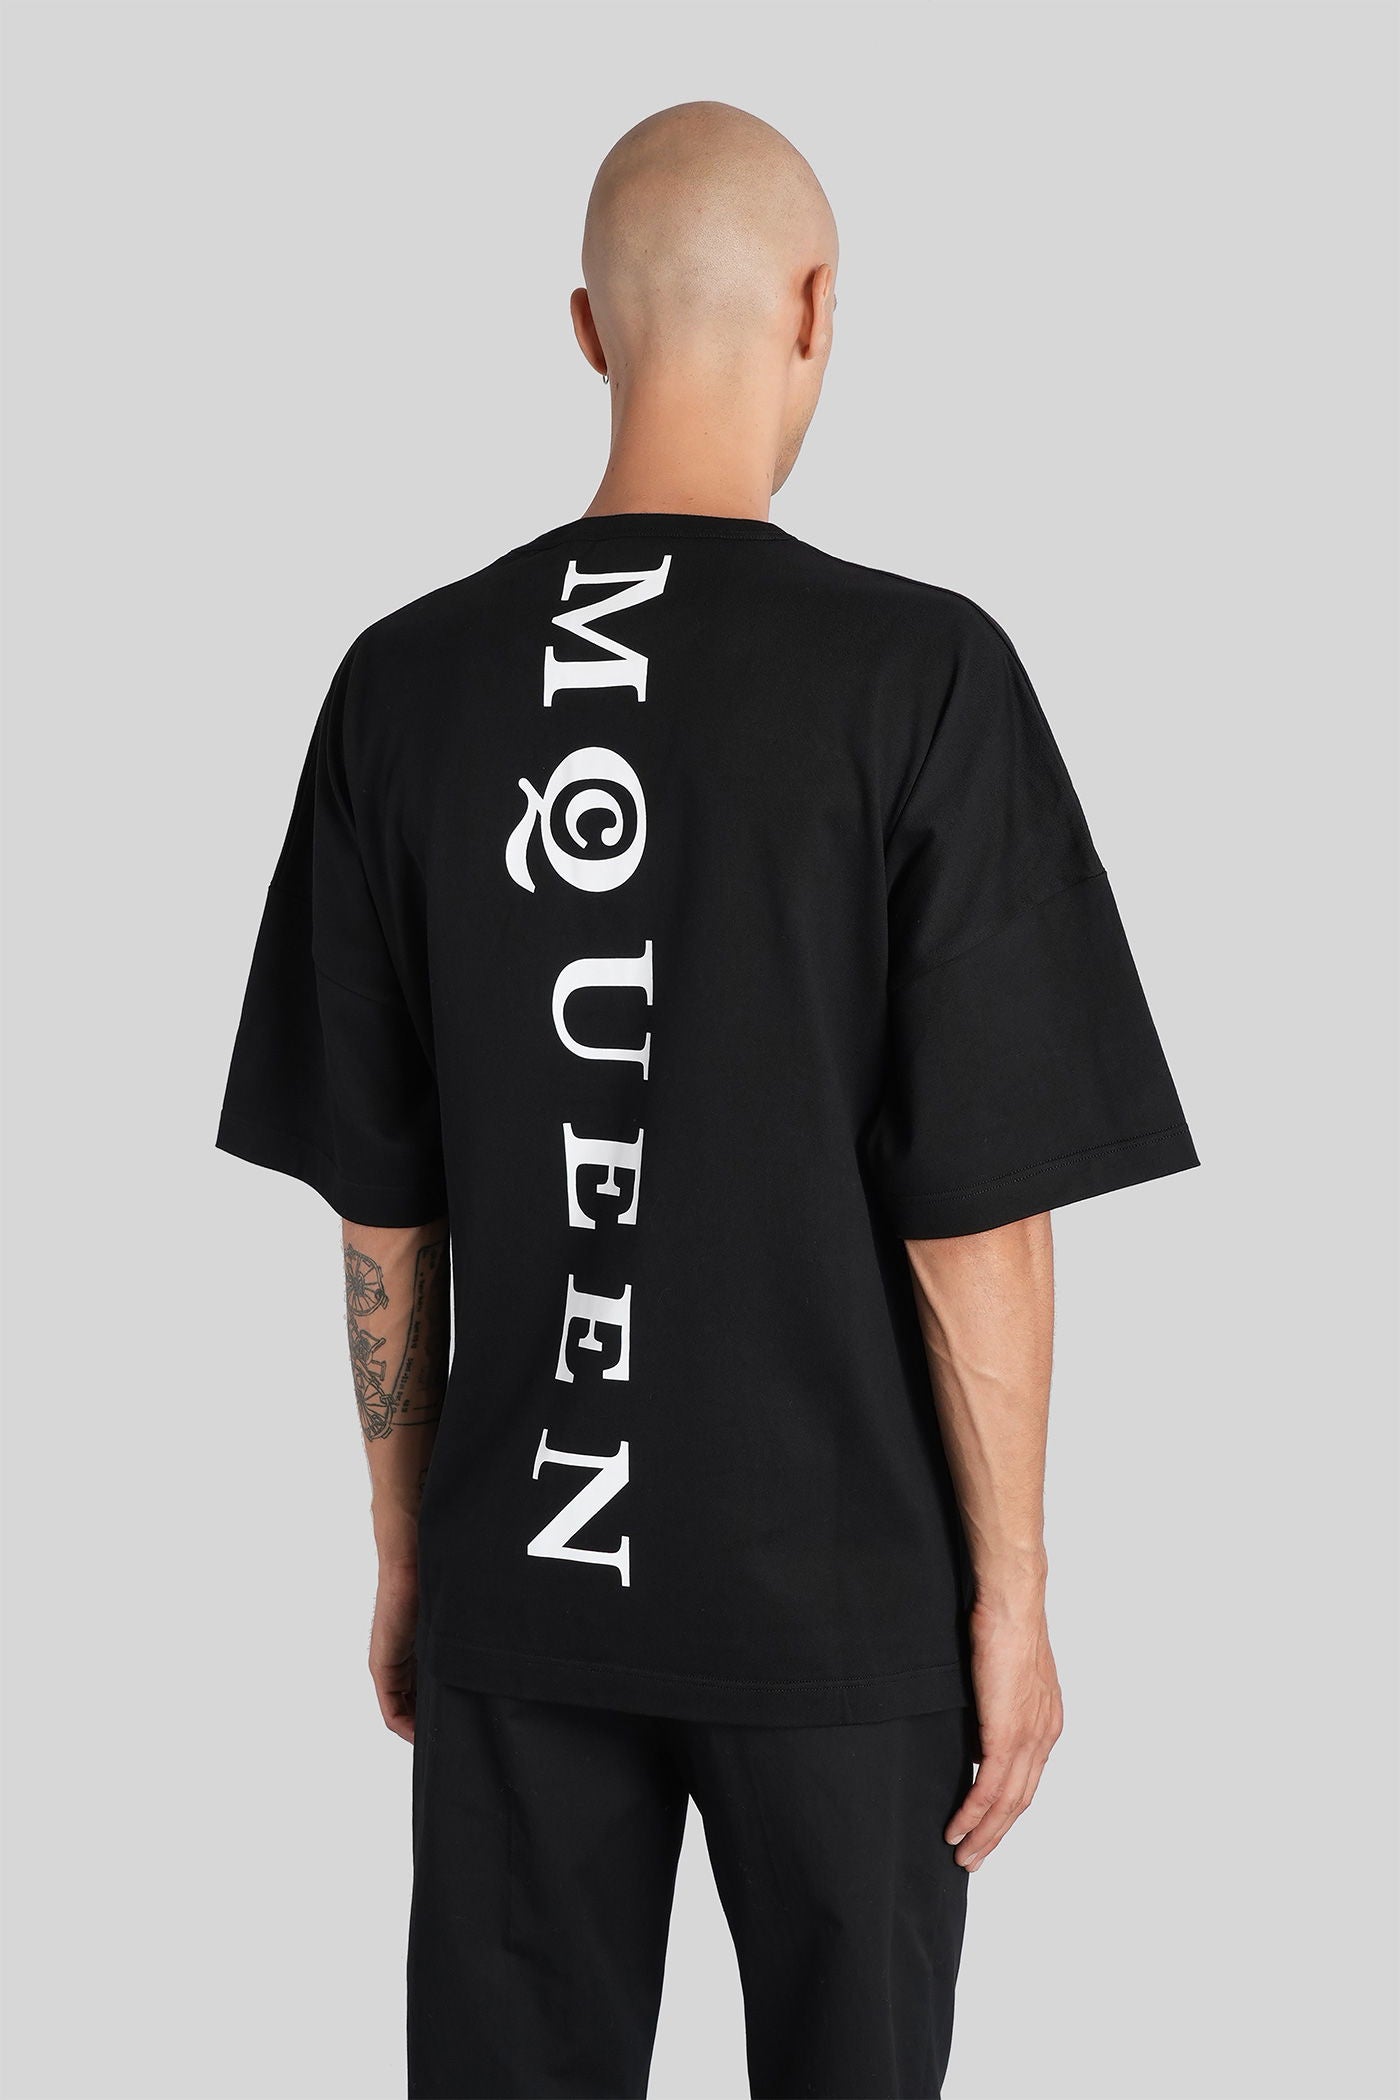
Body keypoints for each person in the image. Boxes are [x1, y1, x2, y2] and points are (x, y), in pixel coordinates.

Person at [217, 100, 1198, 2100]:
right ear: (818, 306)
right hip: (840, 1615)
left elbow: (383, 1204)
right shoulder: (922, 676)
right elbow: (979, 1211)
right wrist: (1013, 1598)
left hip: (523, 1592)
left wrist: (407, 1554)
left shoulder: (403, 685)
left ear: (588, 327)